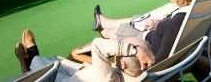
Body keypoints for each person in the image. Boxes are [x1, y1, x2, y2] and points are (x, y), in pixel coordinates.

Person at [93, 0, 199, 63]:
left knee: (112, 32)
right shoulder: (196, 12)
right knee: (139, 19)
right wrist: (160, 24)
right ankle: (104, 23)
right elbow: (170, 30)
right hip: (153, 34)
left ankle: (105, 30)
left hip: (146, 43)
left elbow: (163, 58)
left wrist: (150, 69)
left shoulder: (175, 23)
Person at [14, 29, 154, 81]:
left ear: (122, 64)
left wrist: (135, 50)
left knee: (46, 65)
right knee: (56, 58)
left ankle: (30, 57)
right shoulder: (143, 74)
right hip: (85, 73)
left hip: (67, 80)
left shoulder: (108, 78)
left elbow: (97, 44)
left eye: (120, 54)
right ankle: (31, 59)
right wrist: (93, 67)